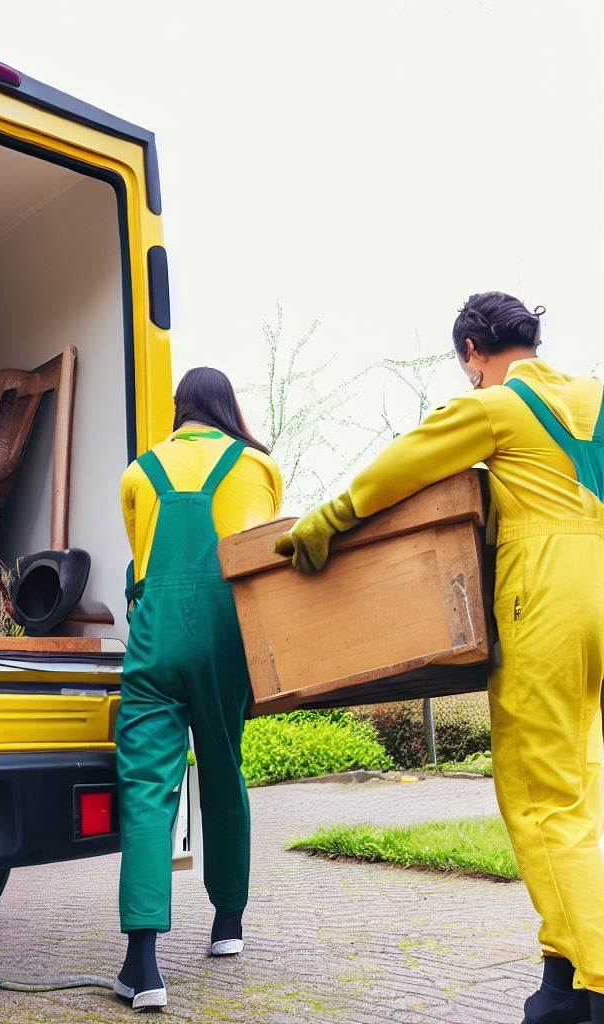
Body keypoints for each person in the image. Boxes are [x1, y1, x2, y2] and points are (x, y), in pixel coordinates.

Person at [277, 292, 604, 1024]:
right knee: (578, 793)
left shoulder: (495, 407)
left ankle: (599, 981)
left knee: (541, 804)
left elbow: (405, 464)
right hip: (602, 596)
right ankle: (564, 985)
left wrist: (330, 517)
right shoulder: (596, 396)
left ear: (471, 350)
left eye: (468, 366)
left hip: (547, 598)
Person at [114, 366, 282, 1011]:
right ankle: (228, 924)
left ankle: (144, 965)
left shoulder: (137, 473)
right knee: (222, 769)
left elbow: (141, 562)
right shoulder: (260, 467)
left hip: (156, 636)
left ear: (180, 410)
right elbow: (258, 550)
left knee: (147, 790)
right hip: (226, 634)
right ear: (226, 407)